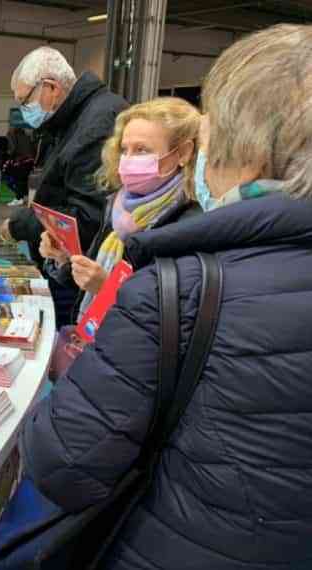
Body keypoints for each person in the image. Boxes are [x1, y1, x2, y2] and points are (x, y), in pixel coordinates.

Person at [20, 24, 312, 568]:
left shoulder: (183, 280)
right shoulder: (133, 228)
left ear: (240, 145)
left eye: (208, 139)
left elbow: (66, 463)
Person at [39, 97, 200, 323]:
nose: (128, 160)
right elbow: (86, 287)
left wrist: (108, 289)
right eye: (125, 150)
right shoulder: (117, 206)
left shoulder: (188, 224)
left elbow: (172, 320)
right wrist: (67, 261)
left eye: (142, 150)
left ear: (182, 153)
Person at [0, 46, 128, 326]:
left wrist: (22, 224)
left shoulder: (94, 125)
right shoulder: (75, 119)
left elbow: (85, 218)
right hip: (66, 263)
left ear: (51, 88)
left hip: (80, 275)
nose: (24, 111)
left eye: (25, 101)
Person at [4, 125, 35, 206]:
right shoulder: (27, 137)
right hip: (29, 161)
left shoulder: (12, 135)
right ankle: (24, 197)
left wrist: (10, 157)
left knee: (17, 181)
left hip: (20, 161)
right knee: (24, 181)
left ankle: (18, 198)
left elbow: (13, 148)